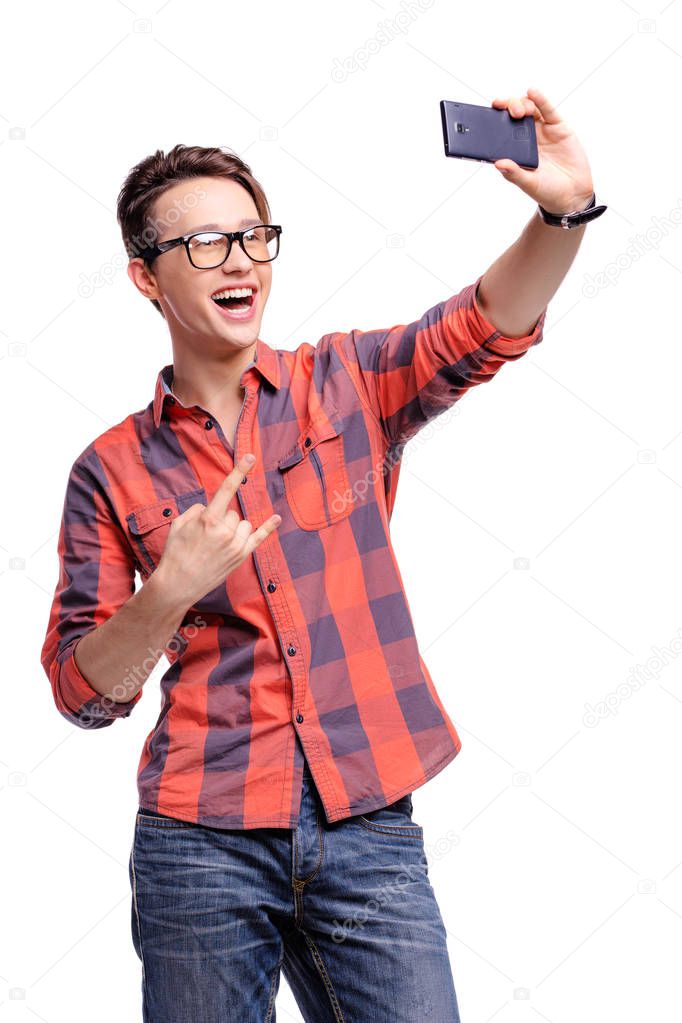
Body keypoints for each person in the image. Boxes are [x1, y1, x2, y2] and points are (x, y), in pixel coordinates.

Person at [41, 87, 603, 1022]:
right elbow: (82, 691)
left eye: (255, 237)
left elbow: (485, 323)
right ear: (147, 277)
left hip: (368, 826)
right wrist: (168, 593)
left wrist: (563, 210)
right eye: (204, 244)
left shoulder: (345, 385)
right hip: (199, 842)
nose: (240, 261)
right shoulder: (110, 469)